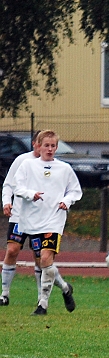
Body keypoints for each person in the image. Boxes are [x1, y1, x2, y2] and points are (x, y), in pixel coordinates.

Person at [1, 132, 75, 309]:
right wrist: (6, 201)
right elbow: (11, 184)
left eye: (52, 145)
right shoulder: (23, 162)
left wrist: (65, 201)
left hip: (46, 219)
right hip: (20, 216)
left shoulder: (61, 168)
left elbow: (72, 190)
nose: (48, 148)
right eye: (44, 144)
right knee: (12, 249)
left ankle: (45, 296)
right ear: (36, 144)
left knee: (41, 259)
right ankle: (4, 294)